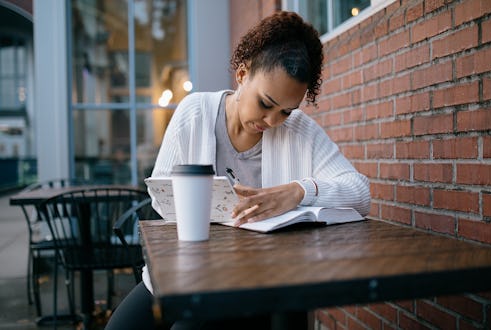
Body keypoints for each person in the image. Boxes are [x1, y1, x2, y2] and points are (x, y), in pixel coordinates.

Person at [105, 11, 370, 330]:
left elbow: (360, 193)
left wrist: (298, 191)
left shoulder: (300, 131)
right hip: (188, 270)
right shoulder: (195, 112)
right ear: (242, 74)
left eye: (286, 110)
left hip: (257, 281)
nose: (272, 121)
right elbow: (162, 197)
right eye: (265, 103)